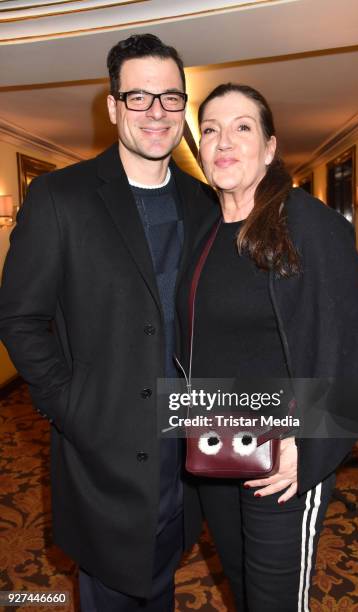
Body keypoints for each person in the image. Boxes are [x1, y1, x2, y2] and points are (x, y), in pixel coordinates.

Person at [0, 34, 217, 611]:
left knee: (163, 580)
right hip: (103, 452)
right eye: (139, 96)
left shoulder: (205, 204)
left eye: (170, 98)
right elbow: (20, 317)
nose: (156, 112)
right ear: (113, 105)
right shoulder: (58, 197)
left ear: (183, 107)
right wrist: (71, 405)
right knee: (112, 591)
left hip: (187, 449)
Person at [176, 83, 358, 612]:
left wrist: (311, 444)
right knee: (239, 581)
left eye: (242, 128)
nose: (223, 141)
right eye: (210, 130)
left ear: (271, 147)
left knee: (275, 599)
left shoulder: (308, 224)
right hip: (217, 441)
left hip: (283, 454)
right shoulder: (205, 231)